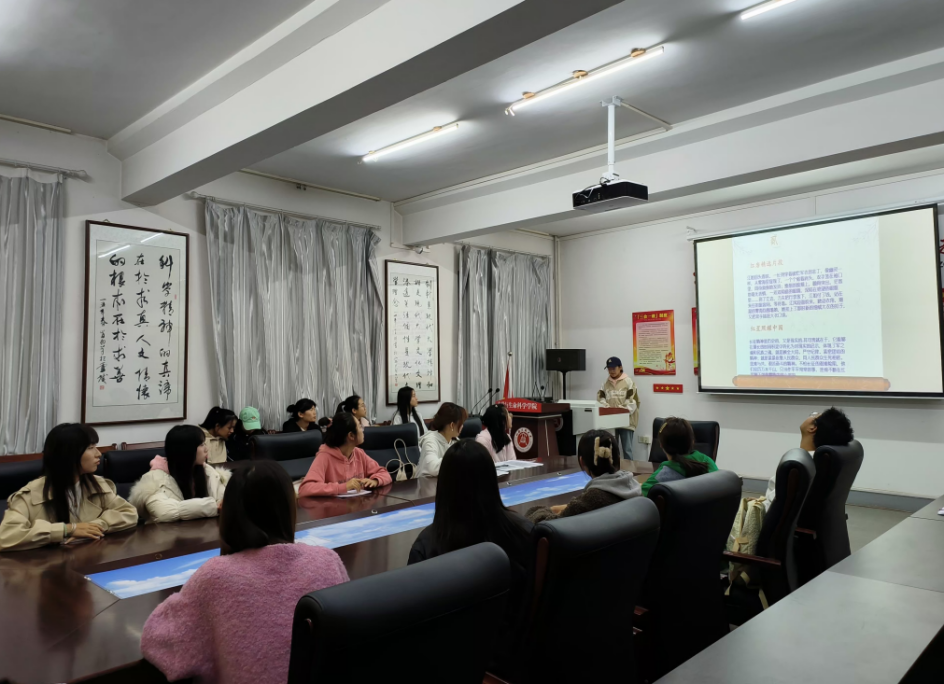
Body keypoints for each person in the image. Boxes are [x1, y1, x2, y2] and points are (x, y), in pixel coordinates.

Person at [141, 460, 349, 684]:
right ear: (289, 509)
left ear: (230, 511)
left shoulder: (214, 576)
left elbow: (158, 641)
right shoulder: (328, 561)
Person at [409, 440, 532, 666]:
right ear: (491, 479)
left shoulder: (427, 546)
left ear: (444, 485)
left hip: (450, 663)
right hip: (516, 657)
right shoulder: (525, 532)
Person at [0, 424, 137, 552]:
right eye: (90, 448)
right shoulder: (31, 495)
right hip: (45, 565)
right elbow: (5, 537)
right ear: (69, 454)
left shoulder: (97, 484)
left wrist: (96, 526)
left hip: (89, 557)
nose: (98, 454)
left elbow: (129, 513)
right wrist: (67, 530)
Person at [527, 430, 641, 522]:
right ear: (618, 458)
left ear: (582, 462)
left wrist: (538, 510)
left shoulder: (592, 499)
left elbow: (546, 524)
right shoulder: (634, 488)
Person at [129, 425, 230, 523]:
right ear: (185, 450)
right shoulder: (153, 479)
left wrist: (221, 504)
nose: (206, 449)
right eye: (201, 444)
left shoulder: (207, 471)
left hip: (203, 530)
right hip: (166, 533)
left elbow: (225, 500)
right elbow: (164, 512)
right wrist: (213, 506)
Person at [764, 408, 854, 511]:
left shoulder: (798, 466)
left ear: (812, 428)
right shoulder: (820, 462)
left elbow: (773, 506)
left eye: (814, 415)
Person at [298, 412, 392, 496]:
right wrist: (343, 487)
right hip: (334, 508)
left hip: (358, 506)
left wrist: (375, 481)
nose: (363, 430)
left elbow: (384, 473)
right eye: (360, 426)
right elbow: (306, 488)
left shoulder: (358, 453)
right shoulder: (324, 457)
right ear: (351, 435)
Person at [641, 417, 717, 496]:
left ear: (661, 444)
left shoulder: (661, 476)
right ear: (692, 442)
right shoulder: (708, 462)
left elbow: (640, 496)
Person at [597, 356, 640, 461]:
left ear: (620, 367)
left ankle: (630, 469)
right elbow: (600, 398)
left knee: (627, 450)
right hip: (611, 422)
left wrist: (618, 411)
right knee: (612, 449)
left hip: (627, 422)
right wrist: (607, 408)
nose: (611, 371)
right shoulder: (605, 383)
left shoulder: (629, 382)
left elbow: (632, 401)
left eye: (613, 368)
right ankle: (614, 468)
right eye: (609, 369)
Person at [417, 403, 468, 478]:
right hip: (425, 483)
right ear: (452, 425)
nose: (462, 426)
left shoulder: (455, 441)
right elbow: (432, 467)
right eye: (461, 423)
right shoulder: (430, 440)